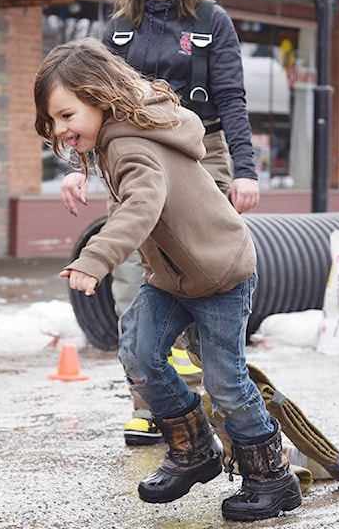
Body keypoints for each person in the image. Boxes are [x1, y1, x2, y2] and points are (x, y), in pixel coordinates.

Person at [34, 38, 301, 521]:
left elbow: (141, 206)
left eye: (67, 116)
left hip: (219, 274)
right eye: (53, 122)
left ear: (99, 97)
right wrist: (80, 165)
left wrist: (94, 259)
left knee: (226, 382)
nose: (61, 129)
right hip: (172, 278)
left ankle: (272, 477)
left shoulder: (130, 143)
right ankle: (194, 447)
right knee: (138, 349)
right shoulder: (115, 138)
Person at [58, 0, 260, 445]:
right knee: (133, 276)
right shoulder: (120, 26)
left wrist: (246, 169)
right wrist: (78, 168)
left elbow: (233, 100)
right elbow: (88, 103)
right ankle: (155, 409)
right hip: (130, 161)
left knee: (201, 276)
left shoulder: (212, 21)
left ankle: (224, 400)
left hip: (202, 159)